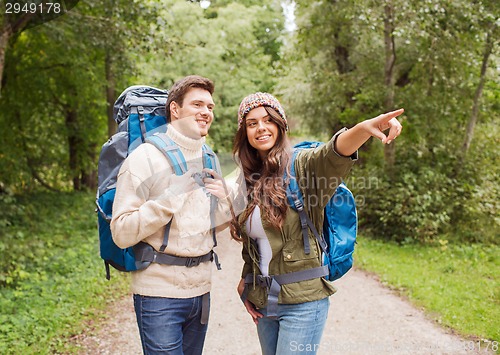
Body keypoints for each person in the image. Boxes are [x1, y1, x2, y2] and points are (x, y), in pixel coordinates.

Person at [231, 92, 403, 354]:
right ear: (245, 132)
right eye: (252, 123)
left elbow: (333, 153)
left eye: (268, 120)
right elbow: (255, 240)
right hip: (265, 301)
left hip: (304, 304)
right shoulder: (249, 178)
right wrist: (248, 279)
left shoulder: (303, 167)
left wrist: (362, 129)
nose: (261, 128)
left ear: (281, 125)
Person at [110, 75, 230, 355]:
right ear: (174, 109)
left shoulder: (209, 158)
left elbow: (208, 226)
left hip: (201, 292)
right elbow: (121, 232)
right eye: (197, 104)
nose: (206, 112)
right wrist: (171, 197)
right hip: (158, 295)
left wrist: (227, 205)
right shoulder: (145, 158)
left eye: (210, 107)